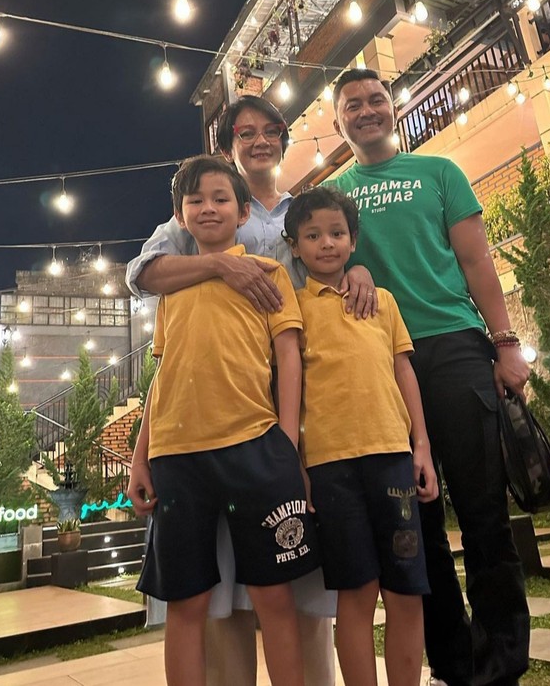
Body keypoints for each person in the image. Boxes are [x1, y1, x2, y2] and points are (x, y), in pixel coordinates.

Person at [126, 95, 376, 686]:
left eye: (271, 130)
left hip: (271, 426)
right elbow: (145, 281)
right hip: (190, 436)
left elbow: (329, 271)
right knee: (205, 598)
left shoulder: (304, 208)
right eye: (246, 132)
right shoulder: (185, 245)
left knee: (289, 585)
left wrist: (357, 268)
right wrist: (142, 453)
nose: (260, 140)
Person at [327, 68, 531, 686]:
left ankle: (503, 658)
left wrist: (505, 343)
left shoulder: (440, 172)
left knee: (483, 509)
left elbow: (476, 261)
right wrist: (352, 272)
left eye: (376, 99)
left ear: (393, 107)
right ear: (337, 121)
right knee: (417, 519)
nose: (367, 110)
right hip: (384, 361)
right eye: (353, 105)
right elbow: (326, 259)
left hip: (455, 346)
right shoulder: (335, 193)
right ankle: (453, 659)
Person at [129, 155, 318, 686]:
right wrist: (141, 456)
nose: (208, 208)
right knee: (186, 602)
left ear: (243, 212)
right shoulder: (172, 288)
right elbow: (163, 373)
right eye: (196, 201)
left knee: (273, 596)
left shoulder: (269, 274)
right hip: (176, 457)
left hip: (255, 446)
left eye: (220, 199)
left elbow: (288, 357)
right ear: (180, 216)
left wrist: (287, 444)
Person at [283, 186, 439, 686]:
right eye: (312, 235)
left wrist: (421, 446)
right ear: (294, 247)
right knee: (356, 593)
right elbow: (290, 391)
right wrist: (298, 466)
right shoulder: (293, 311)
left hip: (393, 458)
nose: (326, 243)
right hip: (330, 469)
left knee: (406, 591)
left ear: (353, 241)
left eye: (337, 233)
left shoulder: (382, 302)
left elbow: (403, 371)